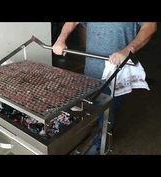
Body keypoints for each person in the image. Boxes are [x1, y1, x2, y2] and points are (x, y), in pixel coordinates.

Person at [53, 22, 157, 154]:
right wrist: (61, 39)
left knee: (108, 110)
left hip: (117, 72)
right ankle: (90, 133)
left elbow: (150, 26)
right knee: (91, 105)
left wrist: (127, 50)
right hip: (91, 69)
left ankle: (100, 143)